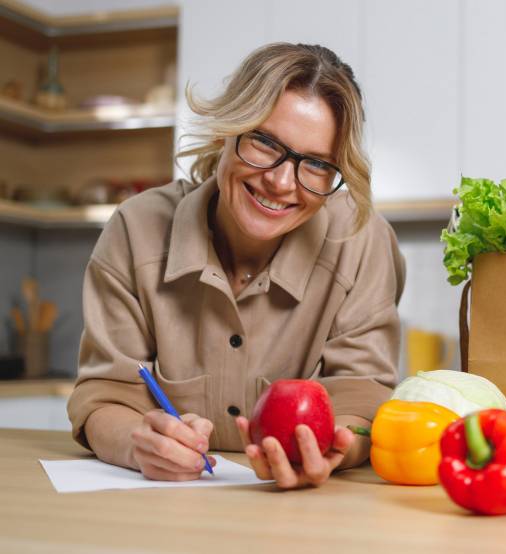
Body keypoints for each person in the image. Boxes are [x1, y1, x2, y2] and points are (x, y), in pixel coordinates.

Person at [66, 43, 406, 489]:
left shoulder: (361, 241)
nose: (281, 183)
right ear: (226, 131)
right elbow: (103, 396)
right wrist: (137, 443)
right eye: (265, 143)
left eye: (318, 164)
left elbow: (363, 399)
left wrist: (327, 450)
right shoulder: (137, 228)